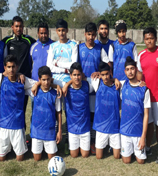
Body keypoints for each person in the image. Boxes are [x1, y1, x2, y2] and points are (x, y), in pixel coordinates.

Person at [137, 27, 158, 164]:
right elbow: (139, 74)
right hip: (146, 96)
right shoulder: (141, 55)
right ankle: (148, 147)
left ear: (156, 39)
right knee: (149, 123)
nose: (149, 41)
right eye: (146, 39)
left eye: (151, 38)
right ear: (144, 40)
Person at [76, 22, 110, 154]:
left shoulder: (100, 49)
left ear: (96, 35)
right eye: (89, 34)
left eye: (93, 34)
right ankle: (84, 142)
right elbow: (74, 66)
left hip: (96, 88)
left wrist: (100, 73)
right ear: (85, 34)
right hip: (82, 86)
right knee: (83, 113)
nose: (91, 37)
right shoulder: (79, 48)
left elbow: (107, 66)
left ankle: (96, 142)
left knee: (95, 114)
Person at [46, 19, 78, 155]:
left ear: (67, 30)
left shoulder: (73, 45)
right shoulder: (53, 46)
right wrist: (66, 67)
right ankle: (53, 140)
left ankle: (68, 140)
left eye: (63, 30)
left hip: (68, 83)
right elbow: (49, 66)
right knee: (54, 112)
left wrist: (58, 65)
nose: (61, 33)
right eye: (59, 31)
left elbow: (74, 65)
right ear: (56, 31)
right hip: (54, 83)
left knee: (68, 111)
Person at [2, 16, 36, 128]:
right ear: (12, 27)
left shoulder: (28, 40)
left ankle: (22, 137)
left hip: (23, 81)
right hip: (11, 80)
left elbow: (43, 44)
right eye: (16, 26)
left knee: (22, 109)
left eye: (20, 26)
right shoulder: (6, 41)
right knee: (11, 109)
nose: (18, 28)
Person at [120, 57, 150, 164]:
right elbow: (109, 80)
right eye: (127, 69)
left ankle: (138, 147)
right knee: (126, 161)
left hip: (138, 132)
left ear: (136, 69)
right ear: (125, 71)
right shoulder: (122, 85)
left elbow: (146, 115)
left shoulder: (144, 89)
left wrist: (143, 137)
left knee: (141, 161)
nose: (130, 71)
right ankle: (129, 150)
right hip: (125, 131)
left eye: (132, 68)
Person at [28, 66, 62, 161]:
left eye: (48, 79)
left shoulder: (55, 94)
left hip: (50, 132)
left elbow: (59, 113)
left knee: (52, 158)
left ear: (51, 79)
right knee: (37, 159)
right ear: (39, 79)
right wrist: (37, 84)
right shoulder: (34, 90)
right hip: (36, 131)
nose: (46, 82)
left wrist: (59, 131)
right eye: (43, 80)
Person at [61, 62, 94, 158]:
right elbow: (50, 81)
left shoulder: (87, 85)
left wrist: (114, 79)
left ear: (82, 75)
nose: (76, 77)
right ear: (70, 75)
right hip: (72, 128)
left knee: (85, 155)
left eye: (78, 75)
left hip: (85, 128)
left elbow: (102, 80)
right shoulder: (65, 86)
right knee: (74, 155)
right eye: (74, 75)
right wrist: (68, 83)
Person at [90, 62, 121, 159]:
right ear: (100, 75)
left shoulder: (117, 86)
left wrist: (115, 79)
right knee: (98, 157)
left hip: (114, 126)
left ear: (110, 72)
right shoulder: (96, 83)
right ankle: (107, 145)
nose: (105, 77)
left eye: (107, 74)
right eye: (102, 75)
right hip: (101, 126)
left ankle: (111, 147)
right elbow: (81, 78)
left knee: (117, 156)